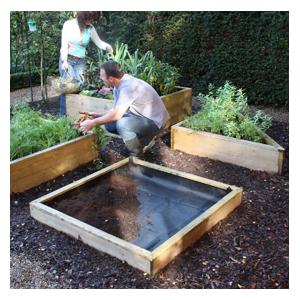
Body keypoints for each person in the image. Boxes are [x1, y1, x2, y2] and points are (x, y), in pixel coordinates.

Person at [80, 60, 170, 156]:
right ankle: (144, 140)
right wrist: (99, 116)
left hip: (156, 122)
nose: (100, 78)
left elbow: (117, 115)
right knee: (110, 124)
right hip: (142, 117)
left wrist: (93, 123)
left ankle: (137, 154)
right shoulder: (117, 86)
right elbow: (115, 111)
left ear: (110, 79)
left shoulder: (128, 87)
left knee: (122, 124)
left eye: (102, 76)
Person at [58, 11, 113, 115]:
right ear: (82, 17)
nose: (91, 21)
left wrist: (107, 46)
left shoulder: (90, 28)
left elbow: (99, 42)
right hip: (67, 60)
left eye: (93, 19)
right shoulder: (69, 25)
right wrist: (64, 60)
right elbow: (64, 43)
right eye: (90, 18)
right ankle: (63, 117)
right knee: (68, 87)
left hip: (80, 61)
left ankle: (76, 116)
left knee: (80, 87)